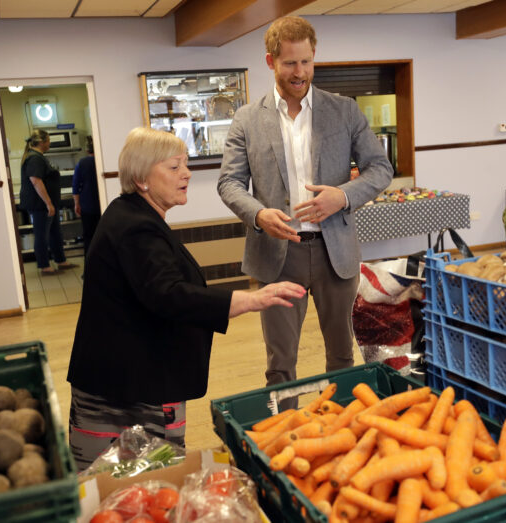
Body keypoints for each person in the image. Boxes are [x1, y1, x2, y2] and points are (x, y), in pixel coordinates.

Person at [66, 127, 305, 470]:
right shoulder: (136, 227)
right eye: (174, 166)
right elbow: (169, 295)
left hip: (122, 379)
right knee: (131, 484)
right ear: (142, 179)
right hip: (129, 390)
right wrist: (251, 299)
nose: (187, 173)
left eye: (186, 164)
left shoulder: (132, 215)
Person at [217, 16, 393, 410]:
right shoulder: (247, 119)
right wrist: (259, 215)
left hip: (336, 253)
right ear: (270, 61)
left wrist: (342, 197)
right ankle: (287, 434)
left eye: (307, 62)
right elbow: (229, 184)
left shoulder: (343, 110)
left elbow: (380, 169)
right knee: (280, 364)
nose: (300, 73)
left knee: (342, 358)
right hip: (278, 255)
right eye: (290, 64)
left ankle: (343, 430)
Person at [19, 129, 79, 275]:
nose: (49, 144)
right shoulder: (35, 159)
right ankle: (44, 266)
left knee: (55, 233)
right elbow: (36, 181)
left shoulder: (39, 157)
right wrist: (48, 203)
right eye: (48, 141)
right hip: (40, 205)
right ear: (41, 142)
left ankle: (61, 260)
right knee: (42, 234)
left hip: (46, 204)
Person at [72, 136, 101, 260]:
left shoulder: (82, 163)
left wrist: (76, 204)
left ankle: (89, 271)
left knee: (89, 237)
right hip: (103, 206)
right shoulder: (103, 161)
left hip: (87, 206)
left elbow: (75, 186)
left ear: (87, 149)